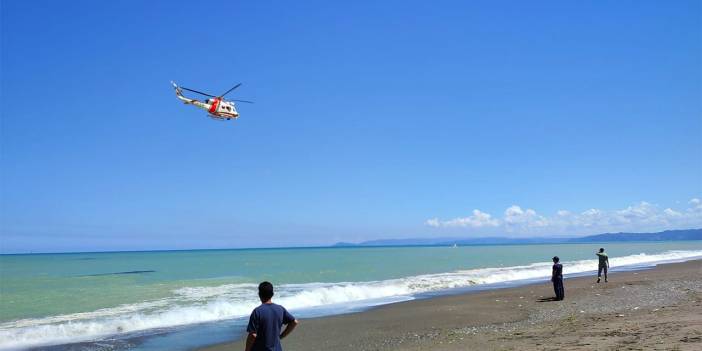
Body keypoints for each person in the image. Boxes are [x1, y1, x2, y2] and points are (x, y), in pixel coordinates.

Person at [245, 282, 298, 351]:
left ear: (259, 294)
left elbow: (252, 335)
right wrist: (281, 336)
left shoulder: (257, 311)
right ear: (272, 294)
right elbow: (294, 322)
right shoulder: (280, 309)